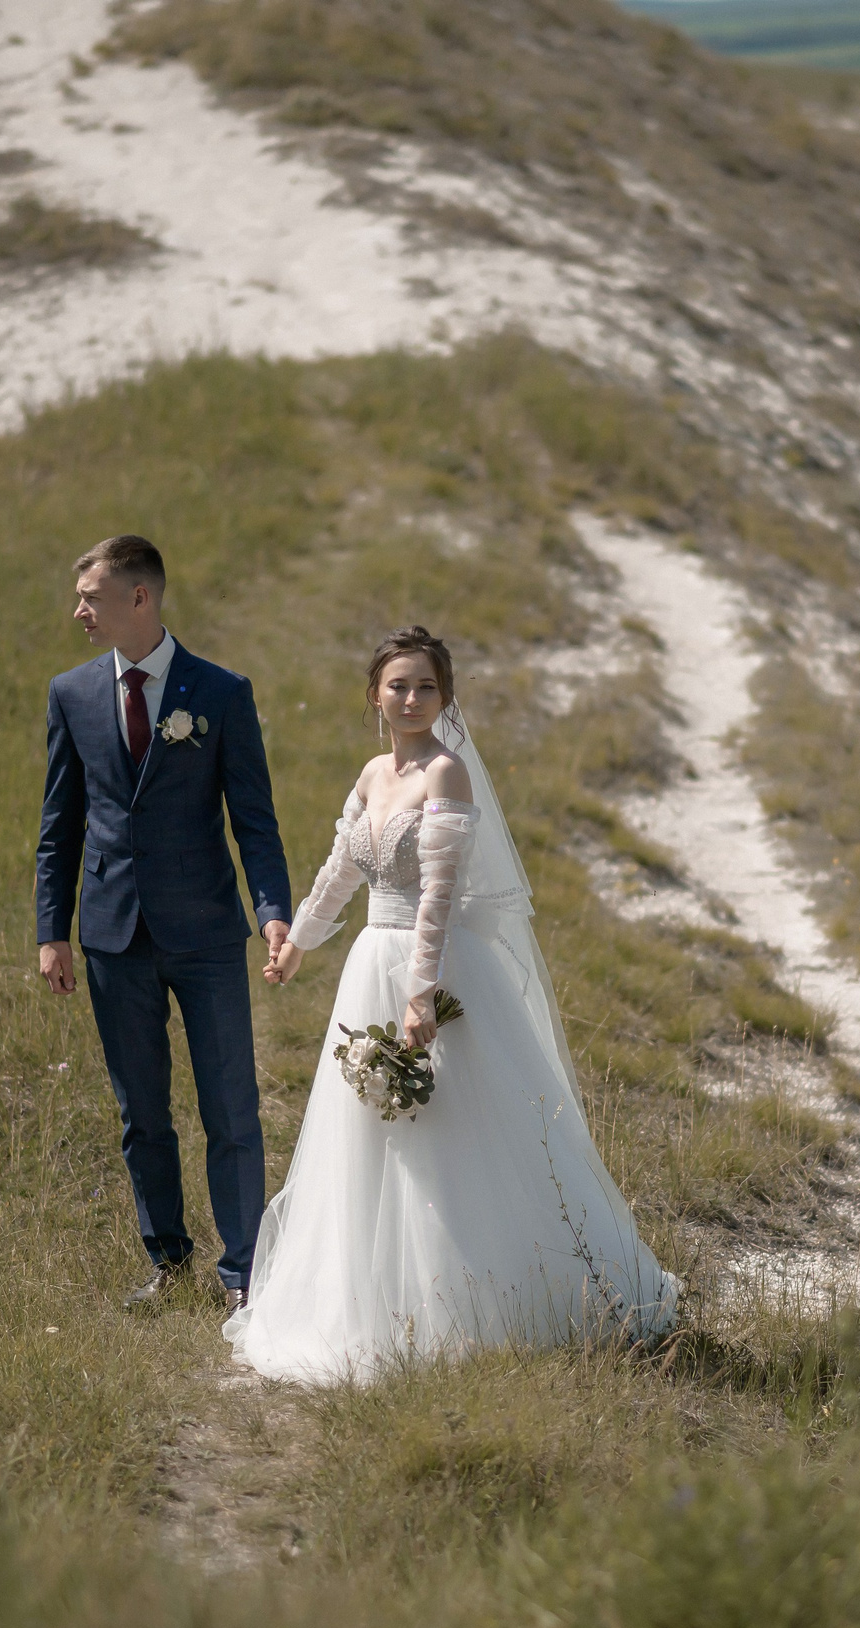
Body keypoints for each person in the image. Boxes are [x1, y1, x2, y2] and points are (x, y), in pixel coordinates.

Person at [226, 626, 678, 1383]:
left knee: (450, 1129)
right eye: (398, 685)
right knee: (369, 1132)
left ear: (445, 696)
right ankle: (367, 1297)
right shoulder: (372, 773)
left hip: (430, 966)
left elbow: (438, 894)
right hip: (368, 961)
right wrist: (299, 941)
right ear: (375, 694)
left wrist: (420, 992)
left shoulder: (447, 772)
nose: (411, 699)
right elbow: (341, 869)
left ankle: (475, 1301)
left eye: (426, 687)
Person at [34, 534, 291, 1312]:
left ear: (139, 597)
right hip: (112, 937)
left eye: (90, 597)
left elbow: (255, 821)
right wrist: (51, 931)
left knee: (231, 1107)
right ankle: (169, 1263)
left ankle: (243, 1269)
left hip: (207, 932)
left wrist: (273, 913)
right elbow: (59, 826)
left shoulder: (221, 692)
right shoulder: (71, 694)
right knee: (141, 1114)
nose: (79, 611)